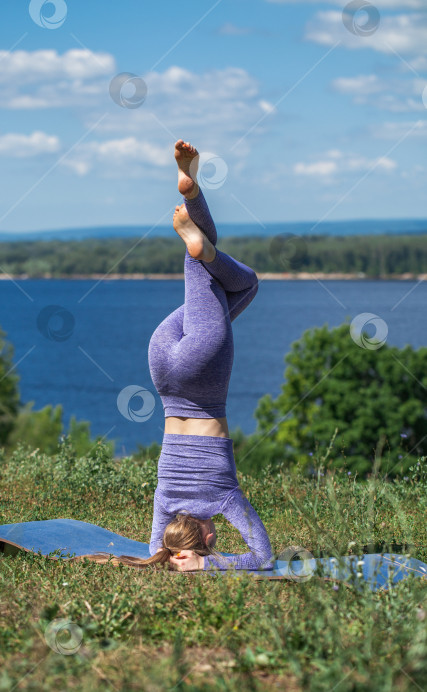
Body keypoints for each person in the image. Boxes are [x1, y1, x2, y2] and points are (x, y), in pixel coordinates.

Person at [77, 140, 274, 573]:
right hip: (162, 364)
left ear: (207, 537)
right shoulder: (164, 501)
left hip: (203, 366)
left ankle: (192, 200)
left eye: (212, 541)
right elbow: (156, 551)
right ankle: (196, 205)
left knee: (203, 264)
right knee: (240, 285)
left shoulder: (224, 498)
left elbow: (262, 558)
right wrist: (173, 558)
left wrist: (208, 565)